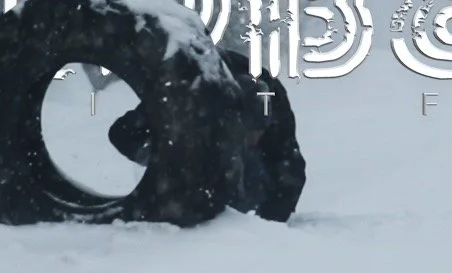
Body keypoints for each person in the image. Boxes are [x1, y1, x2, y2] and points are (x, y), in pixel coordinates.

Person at [107, 48, 306, 222]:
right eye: (246, 134)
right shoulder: (186, 94)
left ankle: (234, 220)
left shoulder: (275, 106)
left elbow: (291, 172)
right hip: (195, 115)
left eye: (259, 132)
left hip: (237, 148)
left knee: (254, 168)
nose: (253, 139)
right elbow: (122, 135)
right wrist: (162, 158)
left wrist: (270, 224)